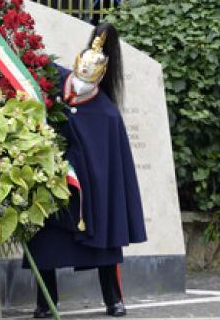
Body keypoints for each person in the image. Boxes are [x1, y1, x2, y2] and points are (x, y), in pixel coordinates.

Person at [24, 23, 147, 318]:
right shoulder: (52, 81)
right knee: (45, 239)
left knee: (103, 235)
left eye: (91, 76)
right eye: (81, 71)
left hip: (89, 187)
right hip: (51, 180)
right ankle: (45, 301)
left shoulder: (106, 114)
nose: (82, 81)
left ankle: (113, 298)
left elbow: (110, 163)